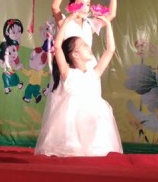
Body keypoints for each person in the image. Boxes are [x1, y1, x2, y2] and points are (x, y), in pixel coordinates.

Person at [34, 13, 123, 157]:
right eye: (83, 46)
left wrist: (108, 25)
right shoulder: (68, 73)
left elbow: (110, 50)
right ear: (75, 54)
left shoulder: (94, 73)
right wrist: (67, 21)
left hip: (91, 120)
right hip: (71, 125)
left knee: (100, 122)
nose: (88, 47)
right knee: (72, 150)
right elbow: (57, 47)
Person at [51, 0, 117, 48]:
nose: (84, 8)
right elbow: (55, 7)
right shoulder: (65, 22)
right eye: (81, 3)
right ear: (71, 4)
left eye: (87, 4)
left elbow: (111, 15)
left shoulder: (89, 25)